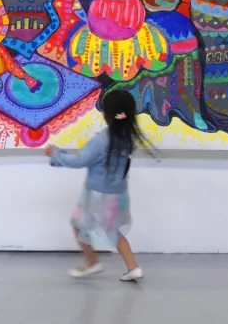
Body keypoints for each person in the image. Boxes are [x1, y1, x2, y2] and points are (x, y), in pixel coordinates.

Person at [43, 89, 152, 282]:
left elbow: (80, 160)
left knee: (77, 225)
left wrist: (56, 154)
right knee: (114, 230)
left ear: (106, 114)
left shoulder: (102, 139)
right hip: (119, 195)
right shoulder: (128, 137)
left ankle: (91, 262)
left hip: (97, 195)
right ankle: (133, 268)